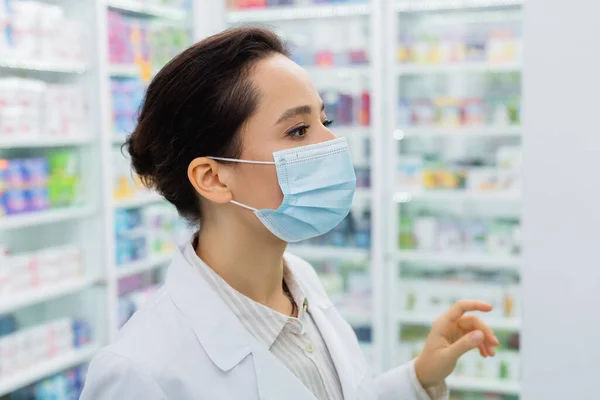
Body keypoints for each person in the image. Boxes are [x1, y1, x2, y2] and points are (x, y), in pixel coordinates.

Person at [81, 27, 499, 400]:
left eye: (324, 119)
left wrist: (419, 380)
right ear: (212, 178)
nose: (332, 141)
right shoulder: (138, 373)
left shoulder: (301, 285)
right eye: (299, 130)